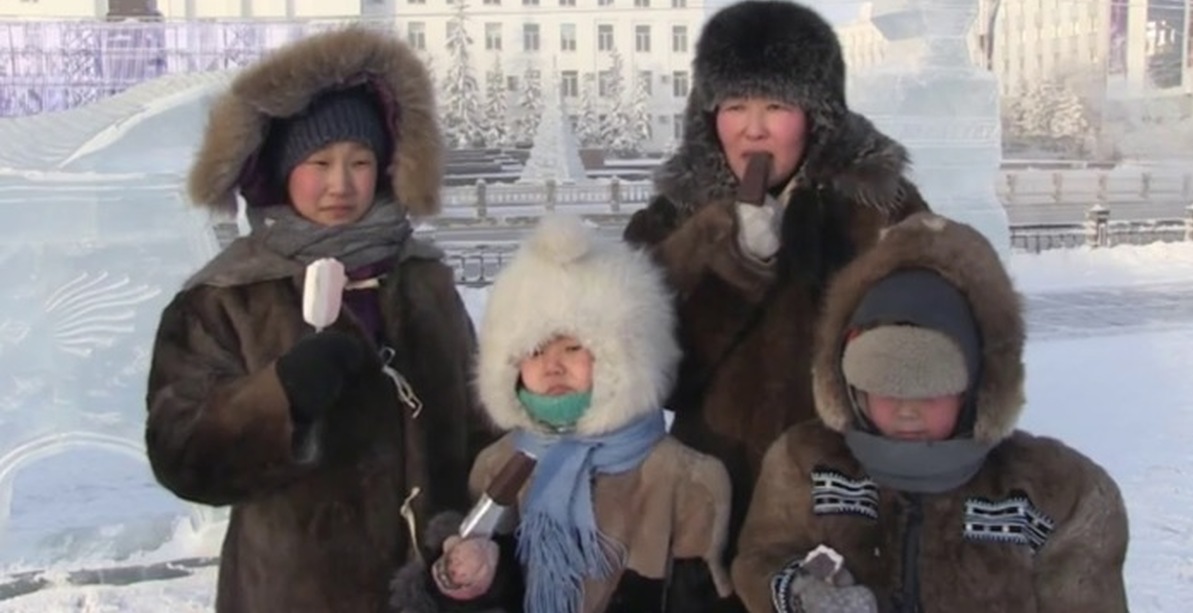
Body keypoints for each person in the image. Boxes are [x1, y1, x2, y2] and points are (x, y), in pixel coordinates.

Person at [144, 26, 495, 612]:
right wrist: (279, 397)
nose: (341, 183)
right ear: (283, 170)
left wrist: (481, 537)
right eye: (319, 161)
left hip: (432, 587)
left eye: (360, 161)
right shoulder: (228, 296)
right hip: (292, 592)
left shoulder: (422, 282)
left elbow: (482, 426)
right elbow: (181, 454)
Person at [623, 0, 931, 554]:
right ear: (708, 114)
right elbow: (654, 382)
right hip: (710, 503)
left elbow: (930, 363)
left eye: (777, 105)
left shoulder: (877, 207)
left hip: (844, 502)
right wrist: (737, 264)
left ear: (818, 114)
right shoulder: (673, 219)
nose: (755, 130)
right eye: (735, 105)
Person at [732, 213, 1129, 612]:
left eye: (932, 391)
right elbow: (761, 557)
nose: (907, 411)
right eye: (885, 389)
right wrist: (794, 590)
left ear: (978, 385)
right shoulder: (806, 466)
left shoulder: (1055, 493)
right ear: (849, 385)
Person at [393, 214, 733, 612]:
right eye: (535, 351)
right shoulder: (497, 466)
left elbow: (700, 599)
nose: (553, 366)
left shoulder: (685, 478)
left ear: (624, 355)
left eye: (573, 348)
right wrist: (473, 580)